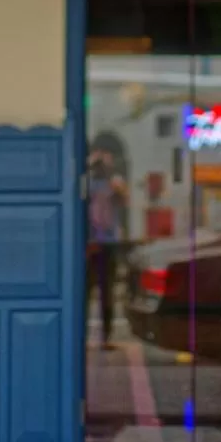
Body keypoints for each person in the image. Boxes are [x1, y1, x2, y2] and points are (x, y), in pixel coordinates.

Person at [86, 131, 129, 350]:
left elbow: (124, 199)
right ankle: (81, 334)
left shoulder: (114, 182)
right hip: (89, 243)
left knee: (107, 291)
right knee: (85, 290)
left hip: (109, 243)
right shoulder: (87, 182)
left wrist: (112, 176)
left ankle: (107, 336)